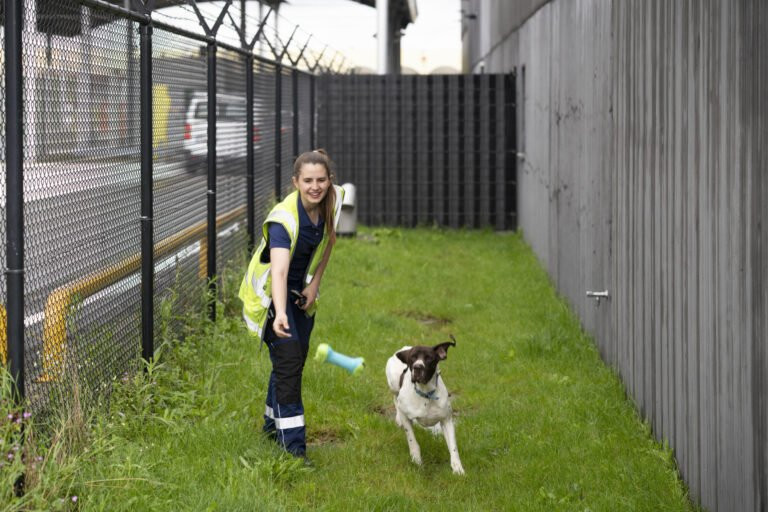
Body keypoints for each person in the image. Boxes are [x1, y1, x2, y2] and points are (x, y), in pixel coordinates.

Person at [239, 149, 344, 463]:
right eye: (308, 180)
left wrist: (315, 283)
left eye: (321, 180)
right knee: (288, 372)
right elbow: (280, 273)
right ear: (296, 182)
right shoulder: (283, 220)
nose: (315, 186)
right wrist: (281, 313)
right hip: (273, 299)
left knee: (293, 362)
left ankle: (271, 427)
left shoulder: (331, 200)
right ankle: (293, 452)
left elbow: (329, 242)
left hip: (300, 294)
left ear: (329, 181)